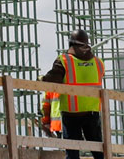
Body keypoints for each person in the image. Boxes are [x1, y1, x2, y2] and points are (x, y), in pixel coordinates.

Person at [40, 29, 105, 159]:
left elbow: (52, 80)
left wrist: (41, 79)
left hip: (71, 113)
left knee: (72, 153)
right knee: (98, 151)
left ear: (71, 44)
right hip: (92, 112)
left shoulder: (64, 61)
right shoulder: (98, 63)